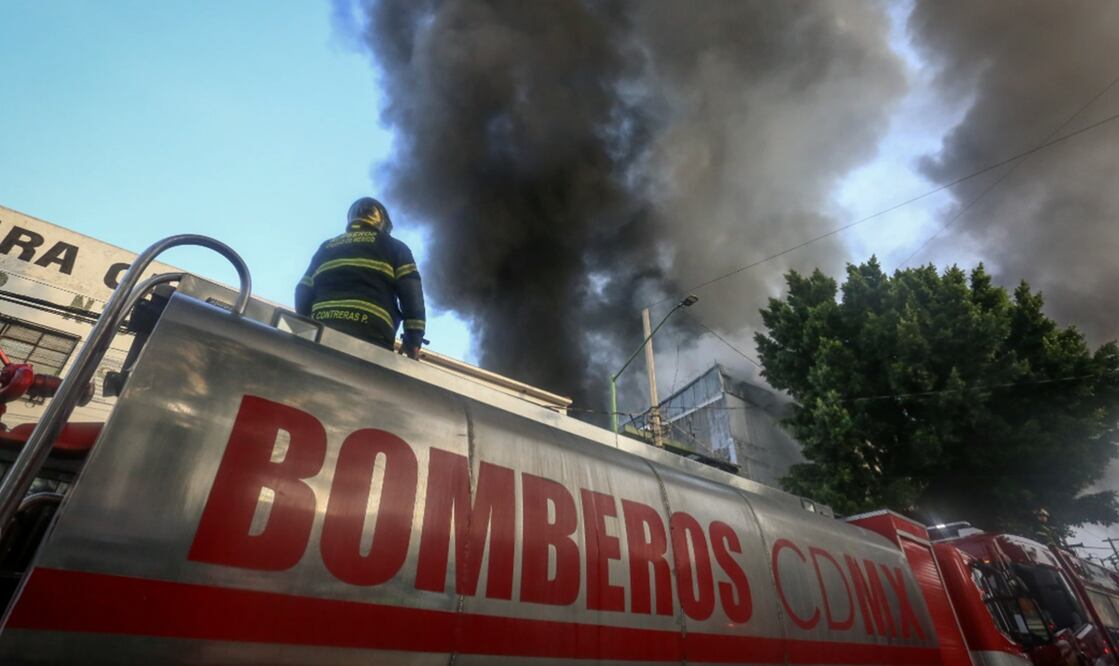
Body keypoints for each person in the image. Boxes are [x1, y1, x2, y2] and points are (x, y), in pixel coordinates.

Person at [296, 197, 426, 359]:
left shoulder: (327, 246)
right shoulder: (395, 247)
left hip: (322, 328)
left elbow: (303, 288)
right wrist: (413, 341)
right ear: (382, 221)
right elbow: (412, 293)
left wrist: (306, 327)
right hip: (371, 334)